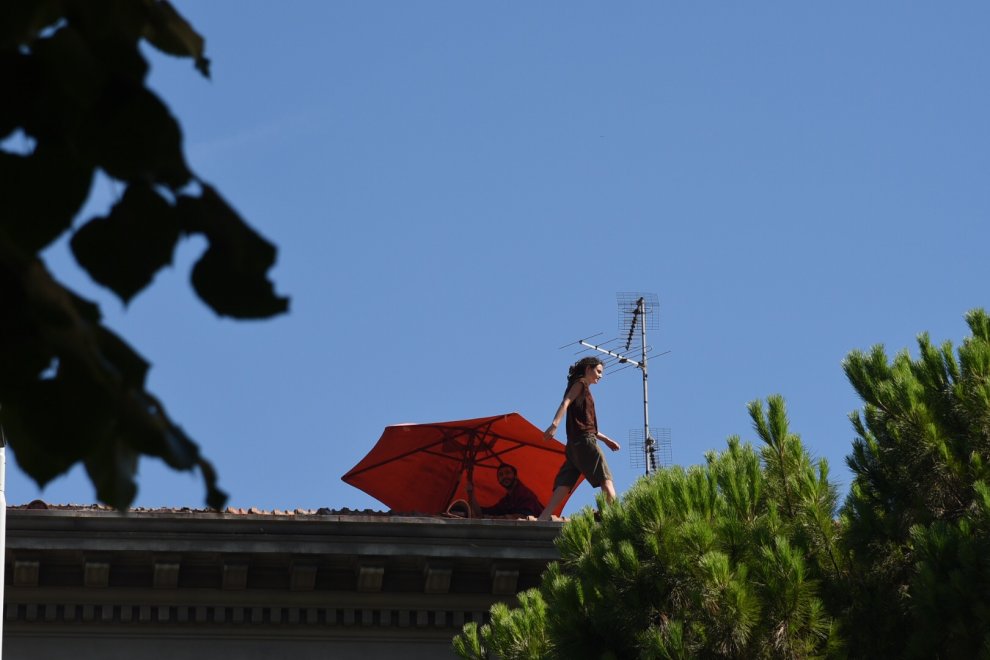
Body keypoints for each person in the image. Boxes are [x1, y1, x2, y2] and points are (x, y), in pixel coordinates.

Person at [538, 356, 620, 521]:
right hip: (585, 442)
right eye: (598, 371)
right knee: (606, 479)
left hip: (574, 445)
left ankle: (544, 517)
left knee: (565, 483)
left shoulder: (583, 388)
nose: (600, 376)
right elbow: (565, 402)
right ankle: (617, 516)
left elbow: (587, 425)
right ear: (588, 369)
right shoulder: (581, 383)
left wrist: (606, 440)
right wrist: (554, 424)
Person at [466, 463, 544, 518]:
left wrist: (497, 518)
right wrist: (471, 494)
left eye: (507, 473)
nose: (504, 477)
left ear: (515, 476)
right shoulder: (506, 500)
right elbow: (484, 512)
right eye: (501, 475)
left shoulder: (525, 494)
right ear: (499, 480)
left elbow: (525, 517)